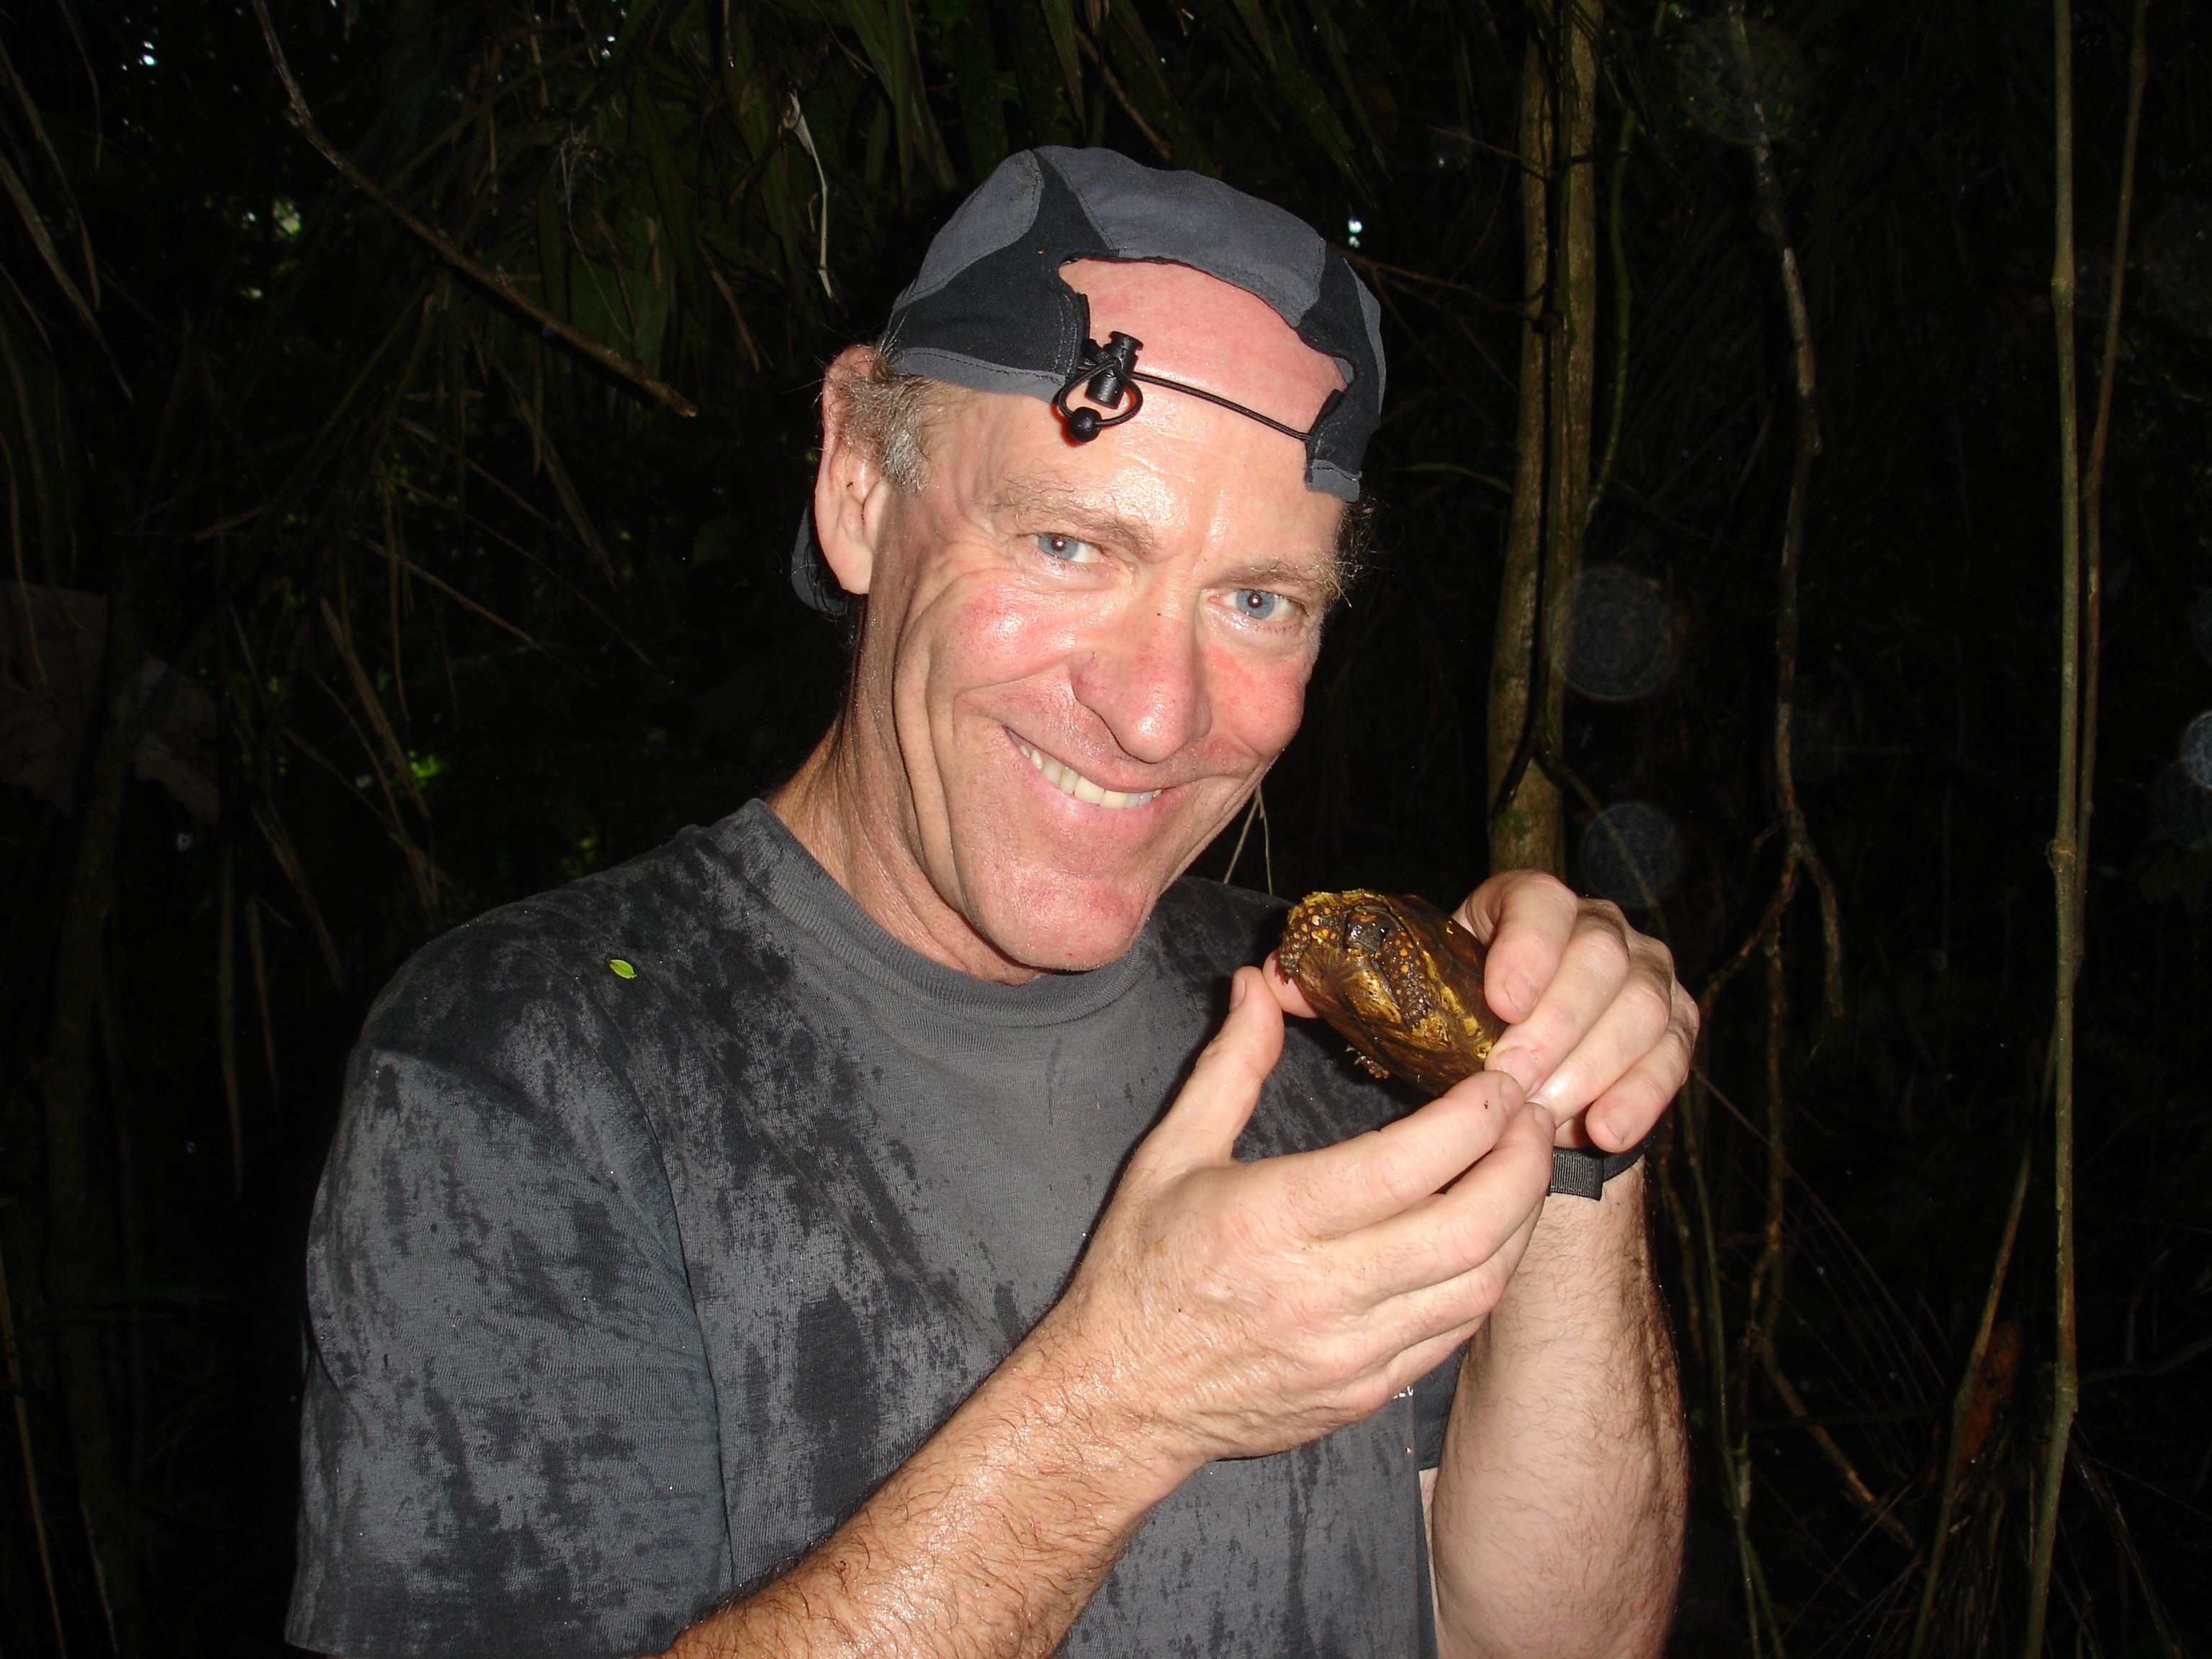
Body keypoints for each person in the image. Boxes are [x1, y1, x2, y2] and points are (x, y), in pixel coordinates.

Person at [287, 147, 1695, 1659]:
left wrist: (1560, 1117)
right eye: (1071, 544)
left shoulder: (1318, 1021)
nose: (1160, 715)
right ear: (857, 491)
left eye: (1259, 601)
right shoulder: (530, 1065)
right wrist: (1121, 1402)